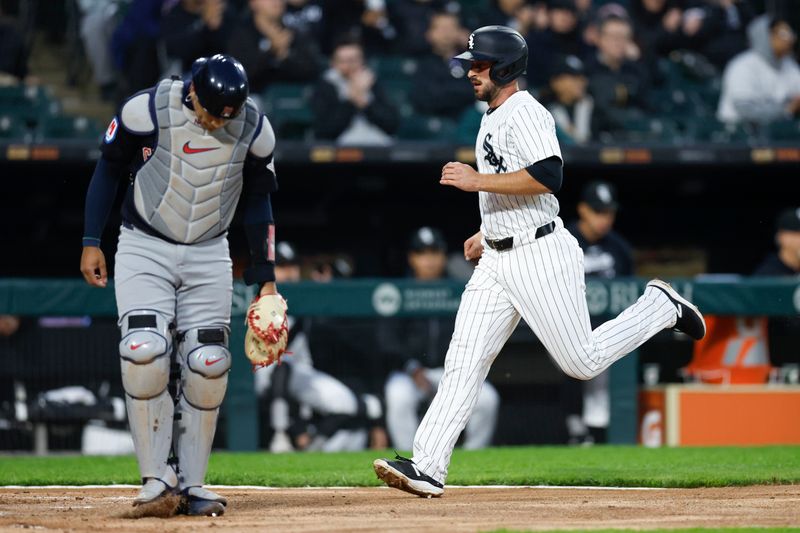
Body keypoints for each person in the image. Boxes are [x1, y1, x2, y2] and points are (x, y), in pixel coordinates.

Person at [373, 25, 706, 498]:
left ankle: (659, 307)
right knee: (464, 359)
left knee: (582, 362)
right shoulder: (492, 114)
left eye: (481, 63)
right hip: (498, 257)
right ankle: (427, 465)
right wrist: (485, 231)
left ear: (505, 68)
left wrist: (476, 183)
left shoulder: (525, 111)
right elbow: (517, 186)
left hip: (539, 254)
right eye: (471, 62)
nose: (471, 70)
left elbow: (549, 176)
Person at [79, 54, 281, 516]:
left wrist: (265, 279)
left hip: (211, 250)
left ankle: (192, 484)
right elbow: (108, 169)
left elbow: (258, 206)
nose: (219, 121)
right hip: (143, 244)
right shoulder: (146, 110)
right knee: (144, 351)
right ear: (193, 91)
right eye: (213, 111)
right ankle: (156, 481)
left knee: (209, 362)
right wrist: (92, 240)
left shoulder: (255, 129)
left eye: (228, 113)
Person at [256, 242, 385, 452]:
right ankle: (279, 437)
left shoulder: (306, 298)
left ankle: (312, 447)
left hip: (298, 372)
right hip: (263, 372)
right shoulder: (260, 298)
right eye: (281, 267)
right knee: (283, 366)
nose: (288, 272)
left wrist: (321, 291)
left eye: (292, 266)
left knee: (348, 404)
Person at [381, 227, 499, 450]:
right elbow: (386, 341)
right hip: (411, 372)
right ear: (412, 258)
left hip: (453, 371)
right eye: (422, 253)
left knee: (487, 399)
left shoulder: (463, 288)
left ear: (443, 256)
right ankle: (409, 459)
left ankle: (474, 459)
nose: (429, 260)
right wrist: (412, 367)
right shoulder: (399, 291)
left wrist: (462, 369)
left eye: (434, 253)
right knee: (398, 396)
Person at [563, 180, 634, 444]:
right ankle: (576, 427)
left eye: (608, 212)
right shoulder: (563, 242)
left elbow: (631, 293)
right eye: (598, 211)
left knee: (603, 369)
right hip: (568, 327)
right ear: (583, 210)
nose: (604, 219)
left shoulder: (620, 249)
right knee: (574, 359)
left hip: (608, 330)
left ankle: (594, 433)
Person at [311, 36, 399, 145]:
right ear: (333, 63)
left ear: (362, 61)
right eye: (343, 61)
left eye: (353, 60)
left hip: (378, 146)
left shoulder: (373, 82)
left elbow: (392, 124)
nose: (349, 66)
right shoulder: (325, 85)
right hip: (340, 148)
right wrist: (351, 100)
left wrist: (365, 104)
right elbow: (326, 130)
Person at [227, 0, 323, 95]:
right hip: (252, 99)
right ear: (253, 3)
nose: (276, 2)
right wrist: (272, 52)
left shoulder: (294, 34)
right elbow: (240, 74)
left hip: (291, 100)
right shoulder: (241, 34)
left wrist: (285, 57)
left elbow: (312, 69)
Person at [717, 16, 800, 124]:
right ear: (765, 36)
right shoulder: (743, 65)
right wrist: (787, 109)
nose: (790, 39)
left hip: (775, 134)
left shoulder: (789, 65)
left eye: (790, 33)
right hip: (738, 134)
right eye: (784, 34)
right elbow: (745, 110)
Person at [409, 11, 475, 120]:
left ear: (460, 32)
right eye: (441, 28)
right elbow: (425, 99)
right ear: (430, 33)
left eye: (451, 28)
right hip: (433, 123)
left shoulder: (471, 62)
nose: (446, 33)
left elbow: (477, 93)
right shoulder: (422, 64)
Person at [540, 54, 594, 144]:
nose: (581, 82)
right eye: (573, 78)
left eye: (582, 77)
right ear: (556, 82)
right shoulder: (541, 110)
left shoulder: (593, 107)